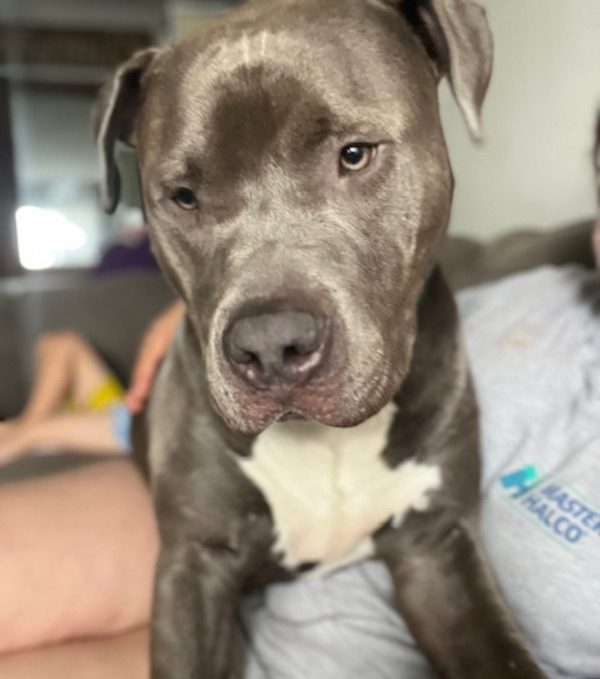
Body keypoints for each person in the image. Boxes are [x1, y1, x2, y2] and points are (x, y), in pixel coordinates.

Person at [0, 331, 131, 462]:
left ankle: (28, 431)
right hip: (115, 418)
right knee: (59, 344)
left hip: (125, 432)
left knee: (35, 432)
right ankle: (29, 428)